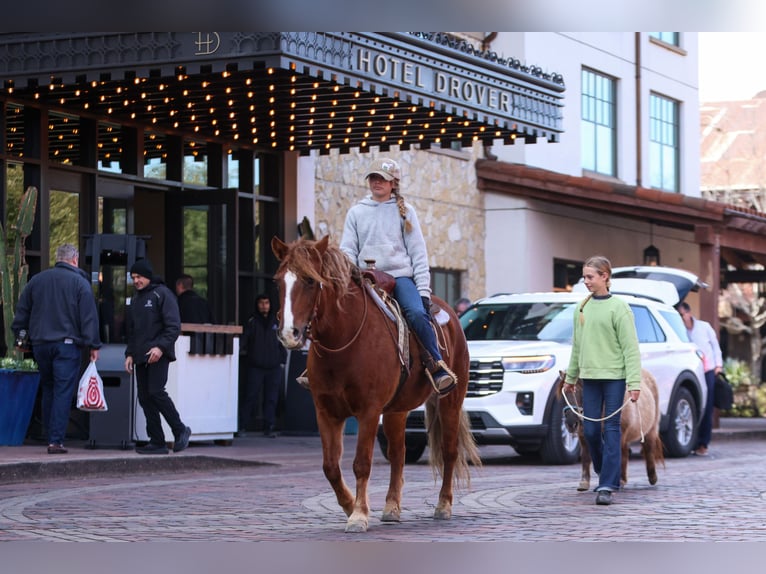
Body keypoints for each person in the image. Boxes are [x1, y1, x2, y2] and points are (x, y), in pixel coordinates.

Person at [339, 158, 456, 396]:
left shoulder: (406, 212)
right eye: (373, 178)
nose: (377, 182)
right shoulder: (356, 212)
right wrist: (349, 273)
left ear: (393, 183)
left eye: (382, 179)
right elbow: (347, 249)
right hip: (364, 277)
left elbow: (418, 254)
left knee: (415, 313)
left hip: (399, 277)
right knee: (336, 310)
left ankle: (435, 365)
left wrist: (422, 290)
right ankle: (322, 369)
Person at [564, 255, 641, 506]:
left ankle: (607, 484)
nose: (585, 281)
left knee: (611, 429)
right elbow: (577, 346)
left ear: (604, 277)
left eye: (590, 277)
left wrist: (634, 383)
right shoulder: (581, 308)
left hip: (614, 377)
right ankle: (604, 470)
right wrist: (571, 377)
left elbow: (630, 347)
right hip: (590, 377)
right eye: (584, 277)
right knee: (591, 431)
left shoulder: (619, 307)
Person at [12, 243, 102, 455]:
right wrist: (93, 345)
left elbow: (21, 313)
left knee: (49, 389)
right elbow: (88, 317)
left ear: (58, 258)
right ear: (74, 260)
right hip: (66, 346)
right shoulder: (80, 283)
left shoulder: (37, 281)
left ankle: (48, 433)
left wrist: (20, 341)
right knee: (62, 391)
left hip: (41, 345)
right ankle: (55, 440)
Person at [124, 259, 191, 455]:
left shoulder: (162, 294)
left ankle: (180, 429)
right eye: (133, 277)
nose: (136, 280)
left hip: (158, 354)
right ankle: (157, 440)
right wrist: (129, 354)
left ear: (148, 276)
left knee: (156, 392)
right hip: (140, 356)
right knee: (144, 397)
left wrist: (160, 348)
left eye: (139, 277)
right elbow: (133, 331)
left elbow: (173, 327)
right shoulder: (135, 300)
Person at [678, 301, 723, 457]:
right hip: (690, 371)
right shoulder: (679, 331)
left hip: (707, 371)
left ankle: (703, 443)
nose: (681, 318)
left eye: (682, 314)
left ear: (689, 313)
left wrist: (718, 365)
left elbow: (715, 346)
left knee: (708, 406)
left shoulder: (704, 327)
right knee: (693, 406)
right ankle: (691, 441)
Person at [239, 294, 287, 438]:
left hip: (274, 367)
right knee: (250, 397)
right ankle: (242, 426)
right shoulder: (252, 322)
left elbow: (282, 342)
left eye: (266, 303)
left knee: (271, 398)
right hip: (255, 366)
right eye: (261, 303)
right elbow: (244, 341)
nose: (264, 306)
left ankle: (269, 427)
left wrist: (282, 360)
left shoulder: (277, 322)